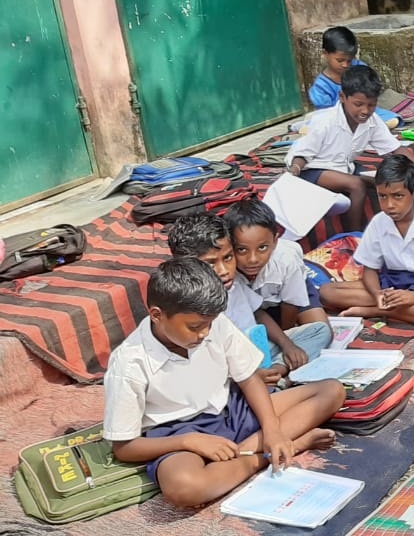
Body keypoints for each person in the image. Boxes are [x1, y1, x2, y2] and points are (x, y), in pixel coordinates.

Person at [103, 257, 344, 507]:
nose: (205, 333)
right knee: (185, 488)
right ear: (156, 315)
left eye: (209, 325)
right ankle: (262, 456)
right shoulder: (129, 363)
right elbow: (124, 447)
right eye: (195, 327)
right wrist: (189, 441)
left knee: (331, 391)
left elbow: (249, 379)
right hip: (178, 431)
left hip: (232, 410)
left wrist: (272, 429)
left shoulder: (213, 323)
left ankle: (252, 451)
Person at [168, 214, 322, 387]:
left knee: (319, 332)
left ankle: (277, 371)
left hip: (260, 349)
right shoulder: (189, 305)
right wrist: (246, 374)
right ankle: (274, 380)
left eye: (228, 258)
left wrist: (287, 345)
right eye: (210, 264)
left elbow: (258, 313)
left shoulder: (235, 284)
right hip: (232, 368)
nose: (224, 270)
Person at [318, 155, 414, 325]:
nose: (389, 205)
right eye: (382, 196)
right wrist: (377, 294)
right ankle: (392, 306)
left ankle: (373, 311)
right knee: (326, 292)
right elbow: (370, 269)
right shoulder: (379, 222)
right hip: (392, 283)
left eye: (398, 196)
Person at [286, 65, 400, 231]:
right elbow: (302, 154)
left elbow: (395, 148)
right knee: (356, 185)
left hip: (342, 168)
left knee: (381, 182)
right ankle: (353, 235)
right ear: (342, 97)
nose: (365, 111)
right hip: (312, 170)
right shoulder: (325, 122)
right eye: (358, 104)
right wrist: (295, 171)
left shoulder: (372, 121)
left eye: (371, 105)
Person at [223, 199, 332, 369]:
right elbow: (254, 313)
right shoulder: (226, 269)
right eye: (242, 250)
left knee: (323, 332)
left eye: (262, 248)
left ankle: (280, 366)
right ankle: (282, 368)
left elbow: (291, 304)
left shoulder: (286, 260)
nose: (253, 259)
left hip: (287, 301)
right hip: (257, 311)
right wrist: (284, 343)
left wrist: (287, 343)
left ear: (275, 241)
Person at [308, 26, 364, 109]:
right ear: (325, 53)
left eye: (349, 61)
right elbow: (327, 116)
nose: (345, 65)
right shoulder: (321, 88)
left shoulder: (360, 68)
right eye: (340, 60)